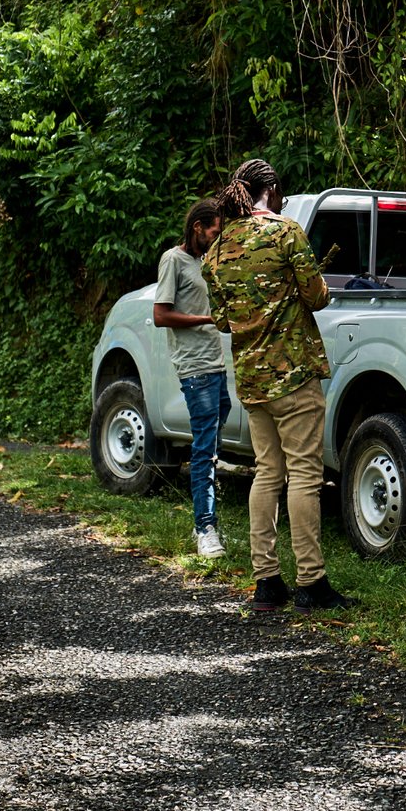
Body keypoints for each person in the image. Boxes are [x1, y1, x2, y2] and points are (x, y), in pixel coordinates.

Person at [200, 158, 354, 615]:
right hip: (294, 376)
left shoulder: (218, 249)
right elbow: (318, 297)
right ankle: (311, 582)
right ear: (272, 190)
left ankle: (266, 582)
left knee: (267, 472)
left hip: (252, 378)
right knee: (304, 475)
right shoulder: (285, 234)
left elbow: (224, 321)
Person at [153, 199, 230, 558]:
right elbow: (160, 315)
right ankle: (204, 529)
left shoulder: (205, 262)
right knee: (205, 450)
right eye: (214, 231)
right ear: (198, 227)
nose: (217, 237)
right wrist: (205, 320)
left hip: (215, 364)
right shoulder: (174, 259)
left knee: (212, 443)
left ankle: (208, 509)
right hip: (195, 367)